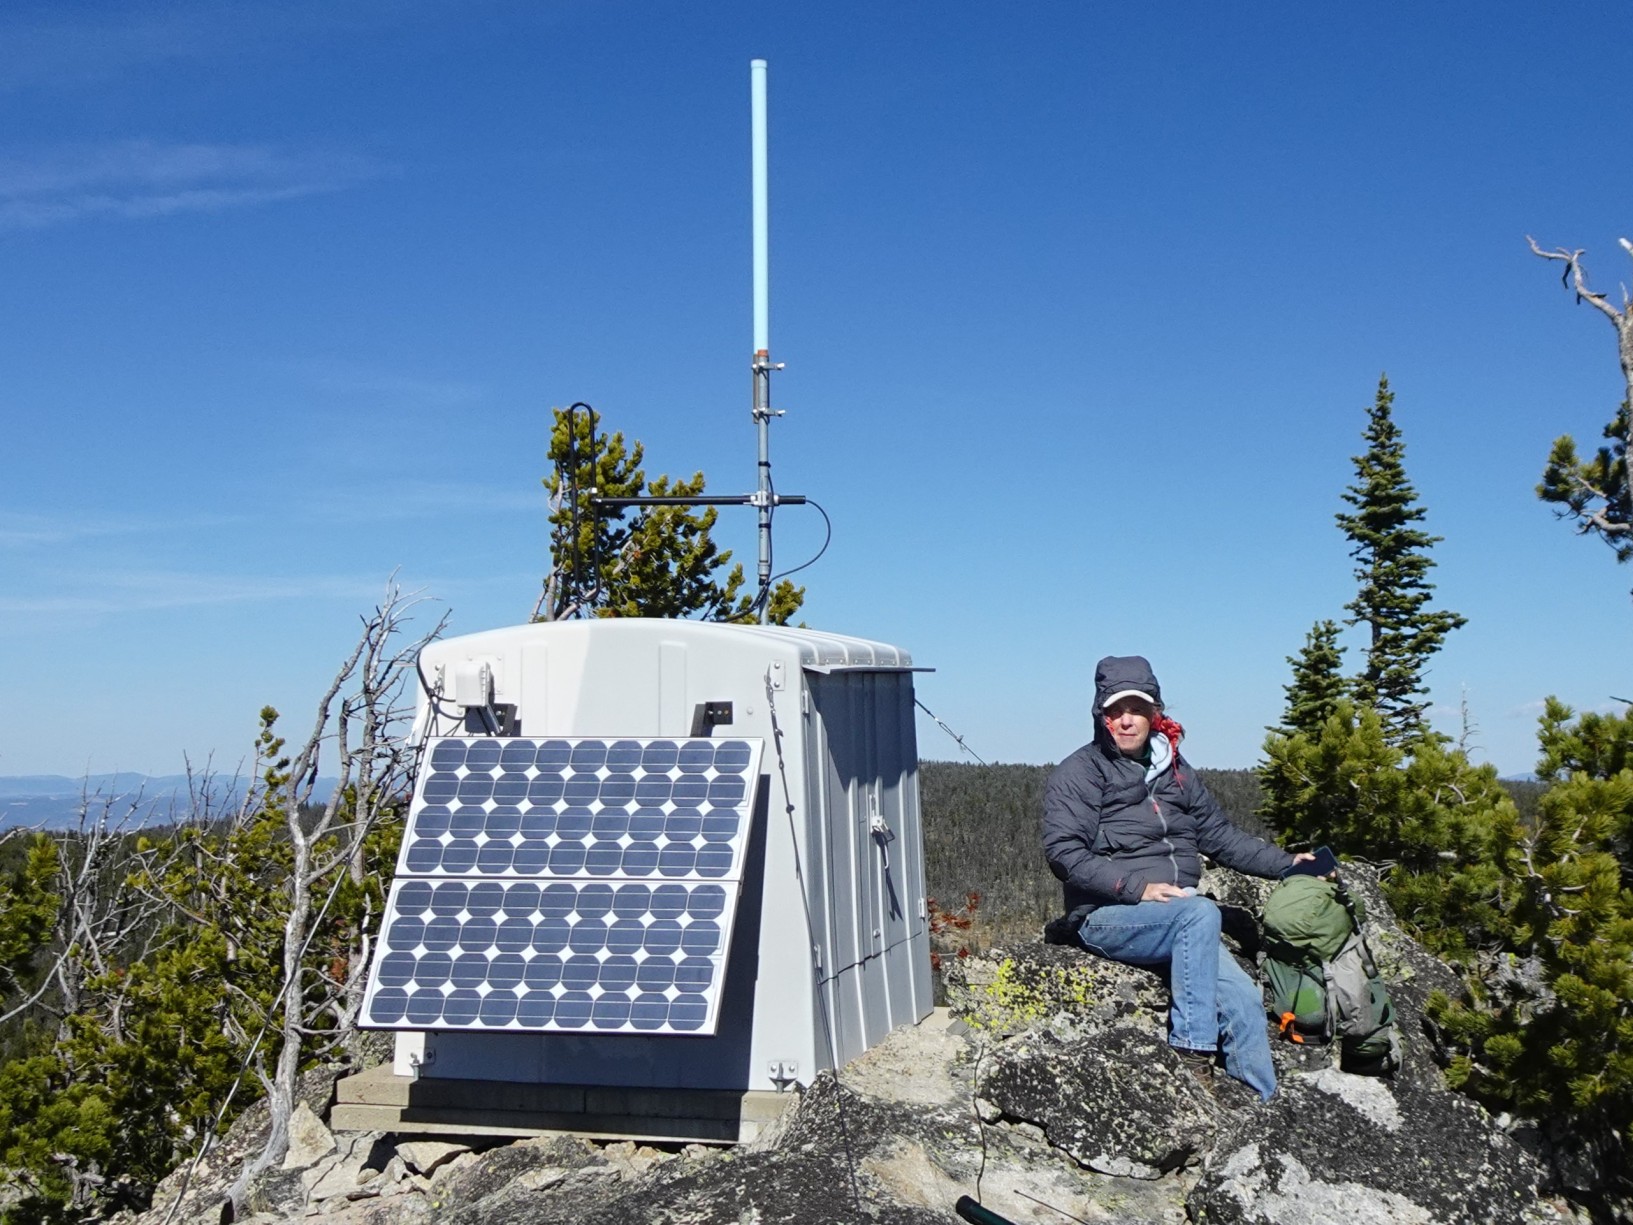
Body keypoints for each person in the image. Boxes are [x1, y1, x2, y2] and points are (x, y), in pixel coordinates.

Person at [1041, 655, 1313, 1100]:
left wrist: (1289, 864)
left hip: (1179, 917)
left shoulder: (1177, 772)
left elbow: (1220, 837)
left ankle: (1261, 1108)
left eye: (1137, 710)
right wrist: (1138, 888)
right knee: (1200, 913)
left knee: (1244, 1000)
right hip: (1109, 915)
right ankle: (1191, 1054)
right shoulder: (1081, 772)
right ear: (1100, 714)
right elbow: (1064, 853)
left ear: (1154, 713)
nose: (1126, 721)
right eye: (1115, 710)